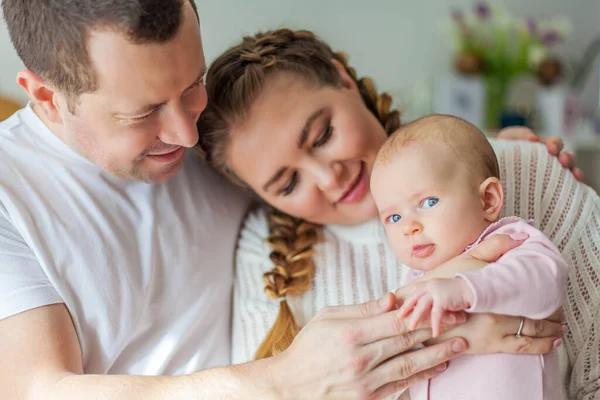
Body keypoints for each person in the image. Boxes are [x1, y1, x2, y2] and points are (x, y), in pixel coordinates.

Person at [0, 2, 575, 399]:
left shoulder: (212, 137)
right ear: (47, 98)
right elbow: (39, 391)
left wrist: (486, 155)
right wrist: (283, 381)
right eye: (143, 113)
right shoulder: (12, 197)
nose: (184, 134)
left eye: (192, 86)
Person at [197, 28, 600, 399]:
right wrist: (440, 338)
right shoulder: (264, 257)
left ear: (344, 81)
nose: (329, 176)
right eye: (288, 184)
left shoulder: (524, 170)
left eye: (323, 135)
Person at [370, 114, 568, 399]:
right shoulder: (411, 282)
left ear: (487, 199)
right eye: (394, 216)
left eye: (428, 202)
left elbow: (548, 282)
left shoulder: (510, 241)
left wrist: (466, 288)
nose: (408, 227)